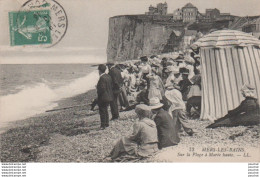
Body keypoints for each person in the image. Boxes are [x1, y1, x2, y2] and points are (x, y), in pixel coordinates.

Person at [96, 64, 114, 129]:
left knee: (102, 111)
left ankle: (103, 125)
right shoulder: (108, 76)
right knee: (106, 110)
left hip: (103, 97)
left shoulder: (102, 78)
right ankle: (106, 123)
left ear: (99, 71)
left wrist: (97, 88)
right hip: (109, 95)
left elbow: (102, 88)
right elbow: (111, 86)